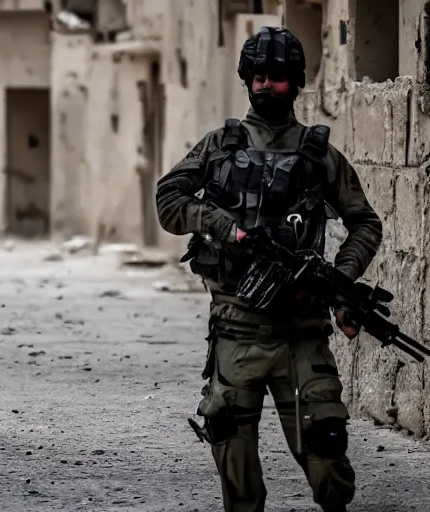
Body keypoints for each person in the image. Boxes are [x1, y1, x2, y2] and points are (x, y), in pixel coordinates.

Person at [156, 26, 383, 512]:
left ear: (295, 82)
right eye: (258, 76)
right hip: (237, 332)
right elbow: (168, 200)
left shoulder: (319, 155)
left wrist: (342, 280)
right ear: (247, 79)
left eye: (277, 77)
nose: (265, 86)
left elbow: (365, 223)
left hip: (303, 333)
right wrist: (220, 226)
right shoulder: (220, 145)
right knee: (237, 473)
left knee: (329, 467)